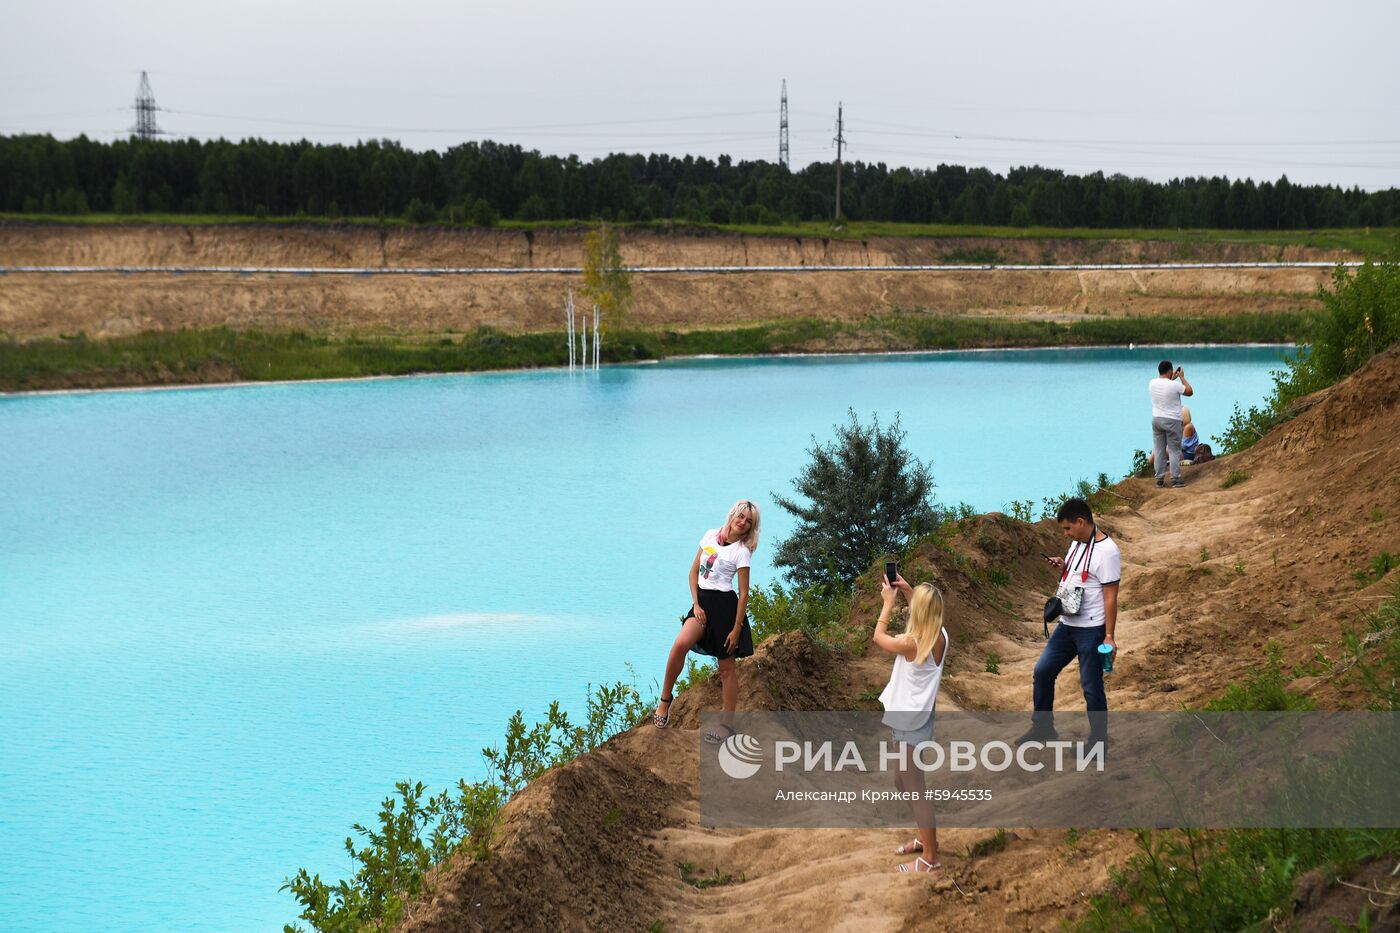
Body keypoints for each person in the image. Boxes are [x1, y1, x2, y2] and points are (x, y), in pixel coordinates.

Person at [652, 500, 760, 745]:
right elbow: (693, 573)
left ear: (751, 527)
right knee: (680, 644)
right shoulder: (711, 535)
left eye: (748, 521)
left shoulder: (741, 551)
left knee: (726, 669)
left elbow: (743, 594)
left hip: (725, 611)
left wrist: (737, 628)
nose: (742, 522)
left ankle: (726, 726)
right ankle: (665, 702)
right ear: (732, 515)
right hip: (702, 605)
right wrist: (696, 604)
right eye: (740, 516)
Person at [1017, 498, 1120, 751]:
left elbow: (1110, 596)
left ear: (1081, 522)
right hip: (1067, 625)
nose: (1066, 533)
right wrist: (1063, 565)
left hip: (1092, 630)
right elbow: (1078, 574)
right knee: (1043, 671)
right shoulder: (1077, 543)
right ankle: (1043, 727)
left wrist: (1109, 636)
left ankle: (1098, 744)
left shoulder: (1108, 552)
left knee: (1091, 686)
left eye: (1068, 528)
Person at [874, 573, 949, 874]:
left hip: (911, 720)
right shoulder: (940, 636)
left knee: (915, 788)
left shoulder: (911, 643)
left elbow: (879, 637)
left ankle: (930, 857)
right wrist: (907, 590)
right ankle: (925, 837)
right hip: (914, 715)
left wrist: (887, 603)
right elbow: (924, 614)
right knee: (900, 780)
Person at [1149, 359, 1194, 488]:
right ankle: (1175, 479)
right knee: (1174, 450)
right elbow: (1190, 391)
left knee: (1159, 450)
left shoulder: (1152, 383)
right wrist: (1181, 377)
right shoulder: (1174, 385)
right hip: (1172, 421)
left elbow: (1165, 386)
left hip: (1156, 420)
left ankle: (1159, 479)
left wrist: (1172, 378)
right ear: (1170, 370)